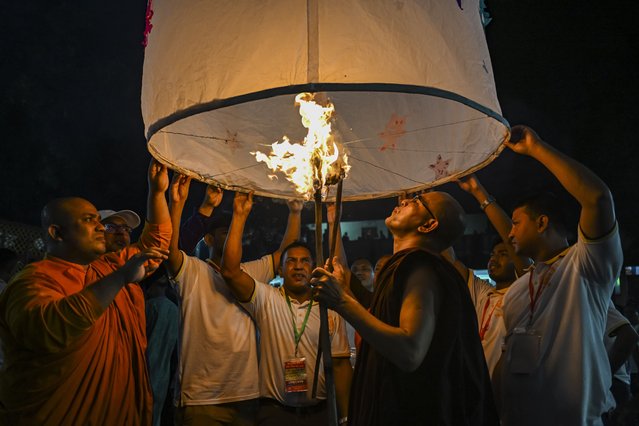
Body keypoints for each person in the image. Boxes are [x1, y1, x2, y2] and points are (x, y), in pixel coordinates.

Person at [0, 159, 172, 425]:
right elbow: (49, 329)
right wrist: (120, 278)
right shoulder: (33, 281)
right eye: (90, 220)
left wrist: (157, 193)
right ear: (56, 233)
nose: (101, 227)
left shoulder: (105, 269)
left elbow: (156, 242)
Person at [312, 191, 498, 425]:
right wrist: (343, 291)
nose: (404, 201)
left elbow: (410, 351)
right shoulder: (403, 268)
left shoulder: (422, 267)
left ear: (429, 225)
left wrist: (341, 301)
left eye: (417, 201)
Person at [496, 126, 621, 425]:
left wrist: (536, 148)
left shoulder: (584, 266)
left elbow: (598, 199)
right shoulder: (517, 289)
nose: (509, 234)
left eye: (515, 223)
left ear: (542, 223)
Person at [167, 175, 302, 425]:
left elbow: (285, 255)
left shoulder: (251, 273)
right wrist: (177, 204)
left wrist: (295, 212)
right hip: (200, 398)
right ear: (208, 239)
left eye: (235, 231)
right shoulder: (192, 270)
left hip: (246, 395)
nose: (232, 236)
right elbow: (170, 251)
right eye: (224, 232)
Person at [221, 192, 352, 426]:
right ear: (280, 271)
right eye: (291, 261)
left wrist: (345, 417)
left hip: (320, 414)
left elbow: (341, 366)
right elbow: (230, 272)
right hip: (274, 413)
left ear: (313, 268)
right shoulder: (266, 298)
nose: (298, 266)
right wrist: (240, 216)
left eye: (304, 261)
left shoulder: (328, 307)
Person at [443, 174, 531, 377]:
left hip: (511, 392)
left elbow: (512, 239)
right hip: (481, 391)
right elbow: (450, 260)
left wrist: (478, 192)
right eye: (492, 254)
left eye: (503, 254)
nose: (494, 259)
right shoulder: (484, 293)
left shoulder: (527, 290)